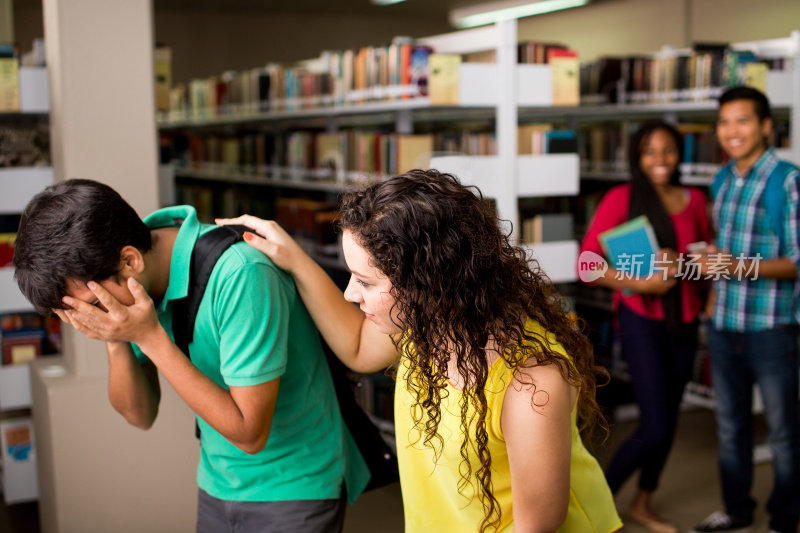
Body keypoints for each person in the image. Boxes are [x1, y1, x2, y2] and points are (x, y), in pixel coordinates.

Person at [218, 170, 622, 532]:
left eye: (364, 281)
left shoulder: (530, 385)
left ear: (427, 283)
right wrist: (295, 259)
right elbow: (359, 349)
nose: (349, 293)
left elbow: (535, 527)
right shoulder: (423, 324)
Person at [12, 179, 369, 533]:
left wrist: (149, 336)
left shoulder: (241, 274)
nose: (96, 315)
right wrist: (114, 336)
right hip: (217, 482)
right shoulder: (133, 277)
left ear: (130, 260)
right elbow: (139, 414)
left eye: (93, 306)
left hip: (295, 487)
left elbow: (249, 433)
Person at [579, 120, 712, 533]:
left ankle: (643, 503)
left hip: (684, 321)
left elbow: (704, 257)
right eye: (650, 151)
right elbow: (586, 265)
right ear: (637, 156)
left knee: (667, 421)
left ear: (680, 154)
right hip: (641, 321)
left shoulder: (693, 200)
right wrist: (643, 282)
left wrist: (688, 272)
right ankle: (593, 507)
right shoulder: (622, 197)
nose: (660, 160)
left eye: (668, 150)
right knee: (655, 424)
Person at [691, 86, 800, 533]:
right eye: (724, 122)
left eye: (743, 121)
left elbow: (797, 261)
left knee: (782, 433)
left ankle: (784, 519)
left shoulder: (787, 180)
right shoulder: (721, 179)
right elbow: (726, 252)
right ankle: (736, 510)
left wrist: (738, 265)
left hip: (771, 327)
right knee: (731, 428)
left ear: (765, 126)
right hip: (725, 325)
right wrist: (714, 269)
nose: (731, 131)